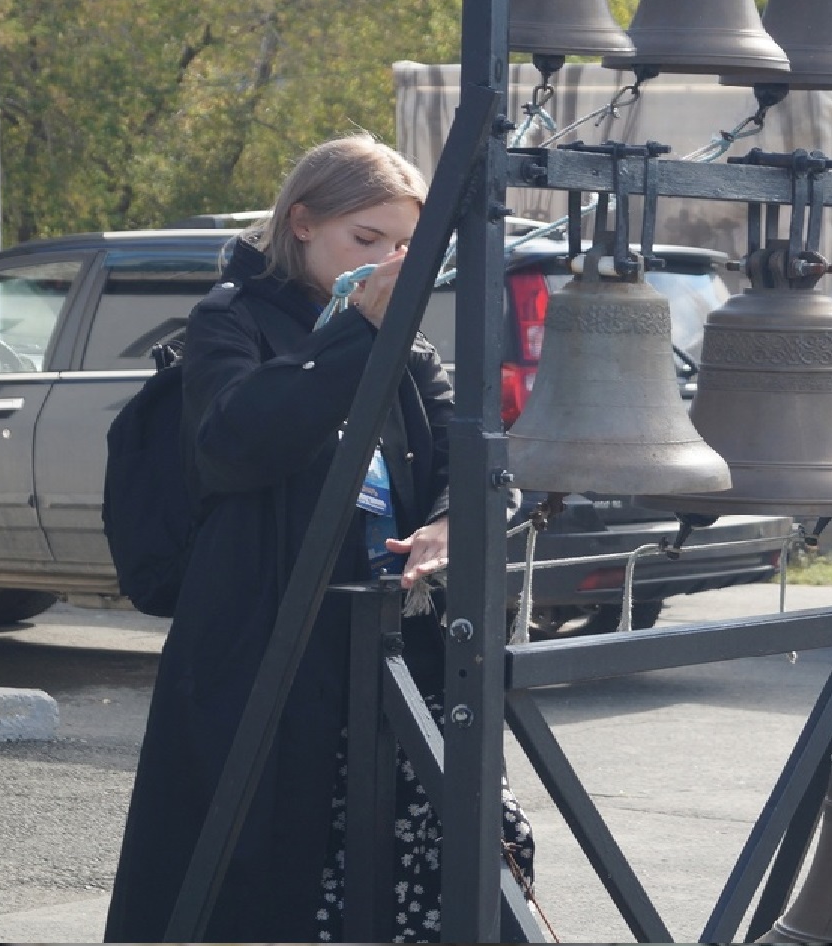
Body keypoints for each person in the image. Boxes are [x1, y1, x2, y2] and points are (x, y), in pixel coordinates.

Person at [103, 134, 532, 943]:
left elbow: (466, 461)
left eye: (404, 245)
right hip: (265, 647)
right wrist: (357, 333)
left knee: (424, 856)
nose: (388, 261)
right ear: (301, 222)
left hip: (390, 648)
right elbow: (236, 446)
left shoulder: (411, 347)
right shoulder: (230, 321)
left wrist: (448, 525)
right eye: (365, 240)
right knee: (256, 871)